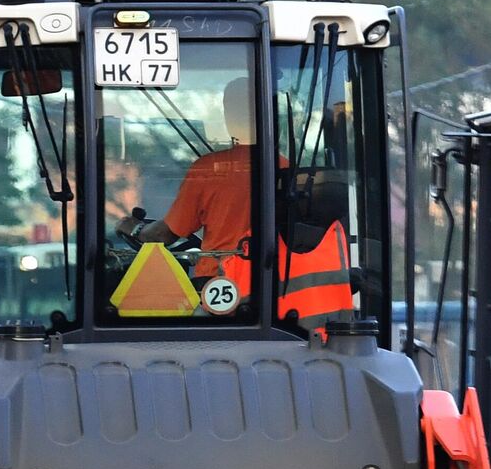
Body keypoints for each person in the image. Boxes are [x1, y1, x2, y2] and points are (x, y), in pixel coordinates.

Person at [120, 76, 354, 334]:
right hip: (275, 289)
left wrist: (134, 229)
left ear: (229, 116)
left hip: (217, 288)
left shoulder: (209, 169)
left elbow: (165, 233)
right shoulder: (287, 168)